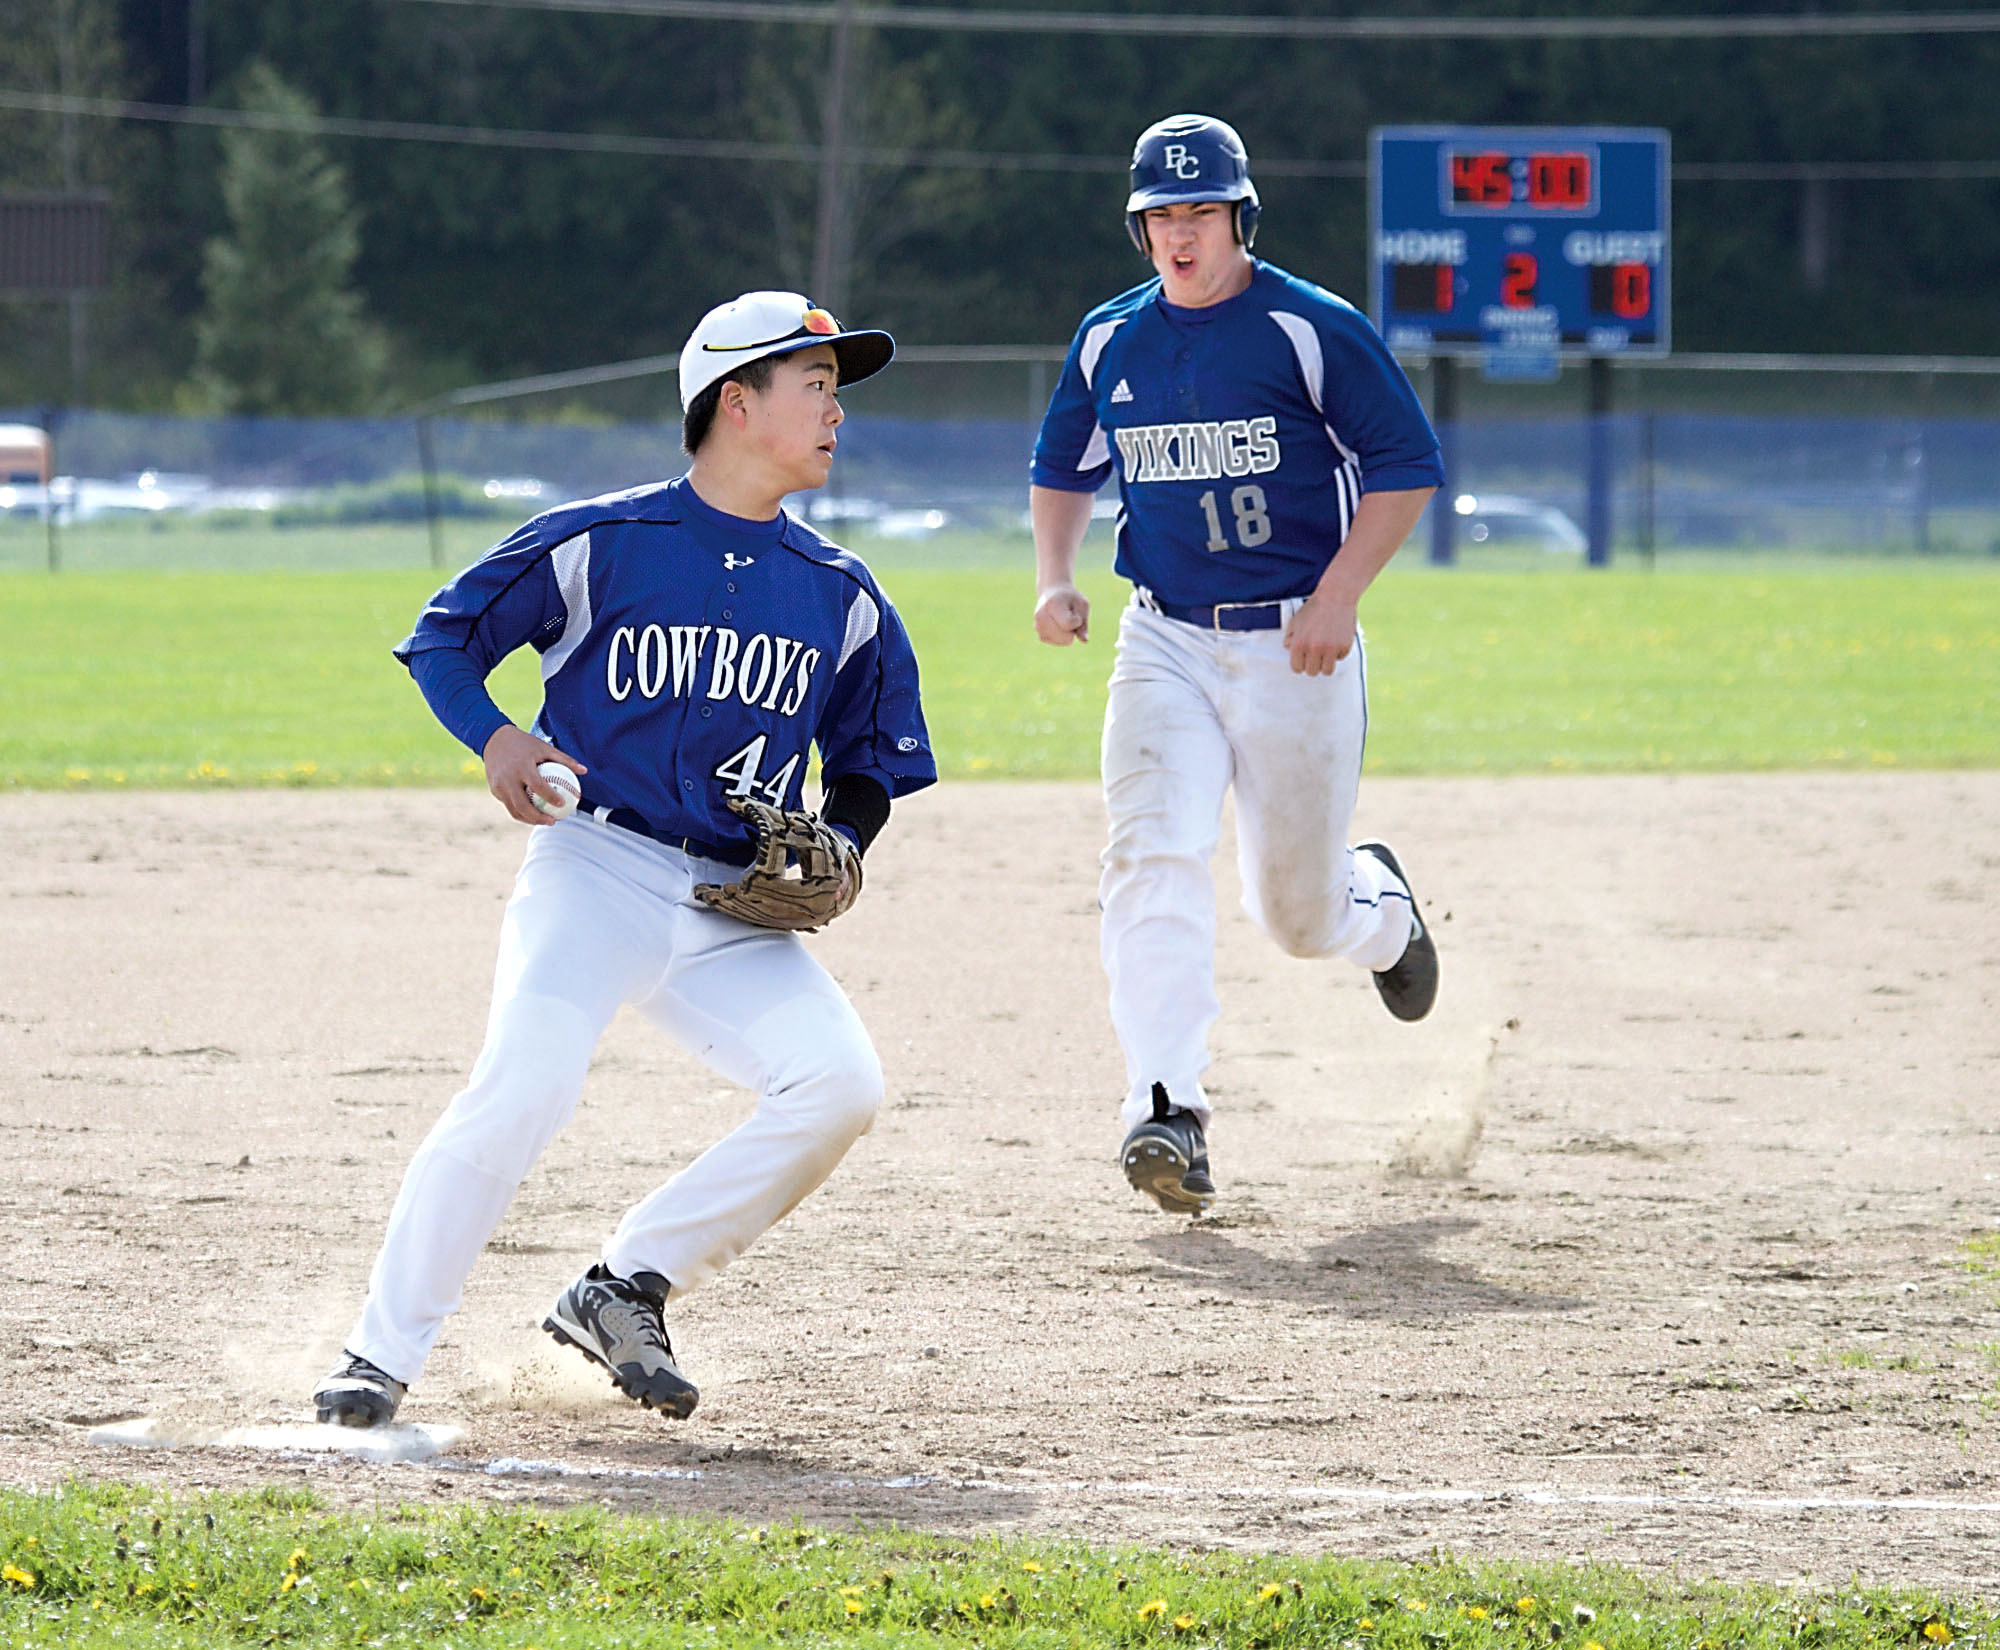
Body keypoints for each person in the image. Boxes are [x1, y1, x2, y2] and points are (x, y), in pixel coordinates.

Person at [313, 291, 936, 1427]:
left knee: (837, 1086)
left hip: (729, 907)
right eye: (815, 386)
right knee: (525, 1086)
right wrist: (496, 738)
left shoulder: (841, 593)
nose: (835, 411)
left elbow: (873, 758)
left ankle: (622, 1285)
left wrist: (844, 838)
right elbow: (444, 638)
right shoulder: (603, 542)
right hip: (594, 869)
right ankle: (377, 1354)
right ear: (735, 404)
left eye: (836, 391)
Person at [1030, 114, 1444, 1218]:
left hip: (1291, 647)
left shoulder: (1310, 330)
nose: (1179, 232)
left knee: (1295, 917)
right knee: (1148, 852)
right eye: (1160, 214)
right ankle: (1164, 1108)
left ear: (1238, 218)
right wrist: (1053, 573)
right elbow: (1062, 466)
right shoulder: (1109, 338)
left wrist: (1337, 596)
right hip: (1161, 631)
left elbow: (1404, 467)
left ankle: (1384, 913)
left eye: (1199, 211)